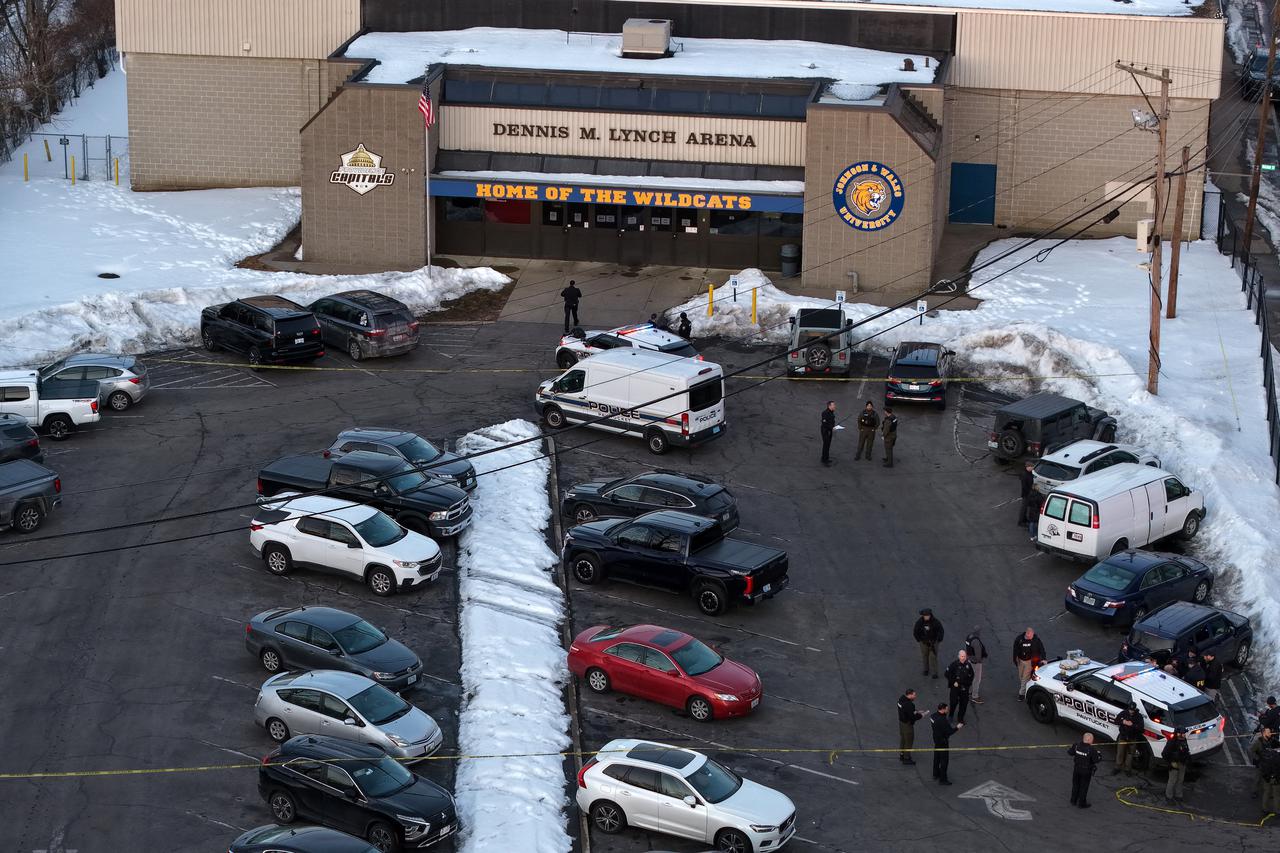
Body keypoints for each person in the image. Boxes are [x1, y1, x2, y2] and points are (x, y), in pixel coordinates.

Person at [930, 703, 962, 785]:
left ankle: (935, 774)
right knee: (944, 761)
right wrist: (957, 727)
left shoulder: (932, 716)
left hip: (936, 739)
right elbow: (950, 731)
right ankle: (943, 779)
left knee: (936, 758)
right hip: (943, 742)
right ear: (943, 709)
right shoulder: (943, 720)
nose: (948, 710)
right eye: (947, 709)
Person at [1068, 732, 1101, 808]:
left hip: (1076, 769)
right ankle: (1081, 803)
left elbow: (1070, 753)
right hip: (1086, 771)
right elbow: (1097, 760)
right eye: (1092, 739)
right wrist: (1099, 754)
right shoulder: (1092, 749)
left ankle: (1073, 800)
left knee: (1075, 785)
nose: (1093, 741)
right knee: (1084, 787)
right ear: (1089, 740)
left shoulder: (1076, 745)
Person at [1012, 627, 1045, 701]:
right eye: (1030, 636)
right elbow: (1015, 649)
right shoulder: (1019, 639)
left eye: (1032, 635)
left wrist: (1043, 659)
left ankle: (1021, 694)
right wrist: (1015, 659)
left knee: (1025, 677)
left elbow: (1041, 649)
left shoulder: (1036, 640)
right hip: (1020, 661)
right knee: (1021, 676)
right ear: (1026, 634)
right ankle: (1027, 687)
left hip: (1030, 662)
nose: (1032, 637)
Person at [1113, 702, 1144, 775]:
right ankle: (1117, 767)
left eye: (1132, 710)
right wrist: (1123, 721)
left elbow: (1141, 729)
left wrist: (1132, 725)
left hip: (1132, 738)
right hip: (1123, 737)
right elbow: (1116, 721)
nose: (1131, 711)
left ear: (1135, 709)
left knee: (1130, 755)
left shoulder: (1139, 716)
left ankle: (1127, 770)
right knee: (1120, 753)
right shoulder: (1124, 713)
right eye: (1130, 709)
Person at [944, 649, 975, 724]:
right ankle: (951, 715)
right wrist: (953, 682)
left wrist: (968, 684)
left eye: (964, 656)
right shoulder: (954, 664)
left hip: (964, 688)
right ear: (958, 656)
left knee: (964, 704)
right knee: (953, 702)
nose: (963, 658)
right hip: (955, 687)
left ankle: (960, 718)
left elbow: (972, 675)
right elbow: (947, 674)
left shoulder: (968, 665)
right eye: (961, 656)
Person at [914, 608, 944, 679]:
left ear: (930, 615)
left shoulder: (935, 622)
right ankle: (926, 669)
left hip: (933, 642)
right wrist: (919, 640)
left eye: (927, 615)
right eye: (925, 615)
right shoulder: (919, 622)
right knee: (925, 655)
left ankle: (935, 673)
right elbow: (915, 631)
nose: (926, 617)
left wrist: (938, 640)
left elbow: (941, 630)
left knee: (933, 657)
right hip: (923, 642)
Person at [1163, 728, 1191, 804]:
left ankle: (1178, 795)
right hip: (1174, 764)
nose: (1184, 735)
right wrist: (1171, 763)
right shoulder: (1171, 742)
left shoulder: (1184, 740)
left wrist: (1187, 759)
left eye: (1184, 733)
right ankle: (1169, 796)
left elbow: (1186, 750)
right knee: (1172, 780)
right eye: (1182, 733)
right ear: (1177, 733)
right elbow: (1164, 754)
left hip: (1182, 763)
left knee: (1180, 780)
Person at [898, 688, 926, 764]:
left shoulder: (901, 700)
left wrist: (916, 711)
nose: (915, 696)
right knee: (909, 741)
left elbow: (907, 710)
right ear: (909, 695)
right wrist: (921, 715)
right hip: (907, 725)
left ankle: (901, 754)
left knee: (903, 739)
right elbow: (912, 717)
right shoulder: (910, 704)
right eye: (914, 695)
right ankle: (906, 758)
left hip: (901, 723)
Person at [1251, 727, 1278, 800]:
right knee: (1258, 778)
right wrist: (1257, 758)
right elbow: (1251, 751)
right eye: (1268, 732)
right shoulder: (1258, 742)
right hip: (1260, 763)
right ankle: (1254, 791)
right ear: (1263, 733)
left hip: (1267, 764)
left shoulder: (1270, 741)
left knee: (1267, 779)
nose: (1270, 734)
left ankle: (1268, 793)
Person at [965, 627, 988, 704]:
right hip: (975, 663)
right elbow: (978, 656)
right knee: (977, 679)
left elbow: (967, 648)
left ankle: (969, 690)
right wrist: (980, 661)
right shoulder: (976, 641)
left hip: (969, 659)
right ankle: (975, 696)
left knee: (970, 676)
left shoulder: (969, 637)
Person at [1260, 737, 1280, 818]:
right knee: (1276, 795)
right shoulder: (1278, 756)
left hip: (1266, 777)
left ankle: (1264, 808)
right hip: (1276, 779)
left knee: (1266, 793)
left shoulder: (1267, 753)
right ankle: (1277, 810)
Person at [1017, 461, 1035, 527]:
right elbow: (1024, 486)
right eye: (1032, 467)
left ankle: (1024, 519)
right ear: (1028, 467)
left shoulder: (1029, 473)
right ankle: (1021, 522)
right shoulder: (1025, 475)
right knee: (1024, 508)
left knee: (1025, 508)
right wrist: (1029, 493)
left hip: (1028, 493)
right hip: (1026, 494)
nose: (1033, 468)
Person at [820, 401, 836, 466]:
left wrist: (833, 427)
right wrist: (831, 427)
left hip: (829, 431)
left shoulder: (831, 413)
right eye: (833, 405)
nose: (835, 406)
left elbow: (831, 422)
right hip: (825, 431)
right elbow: (824, 423)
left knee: (828, 445)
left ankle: (826, 458)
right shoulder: (825, 413)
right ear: (829, 406)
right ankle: (824, 460)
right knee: (825, 445)